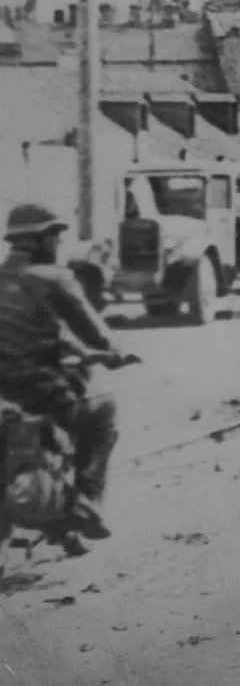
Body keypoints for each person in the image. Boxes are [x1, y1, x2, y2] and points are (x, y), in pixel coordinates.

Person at [0, 204, 128, 553]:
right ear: (39, 239)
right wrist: (116, 352)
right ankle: (87, 504)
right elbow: (97, 335)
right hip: (48, 395)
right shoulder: (56, 278)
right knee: (103, 415)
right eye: (56, 235)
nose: (58, 243)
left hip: (4, 396)